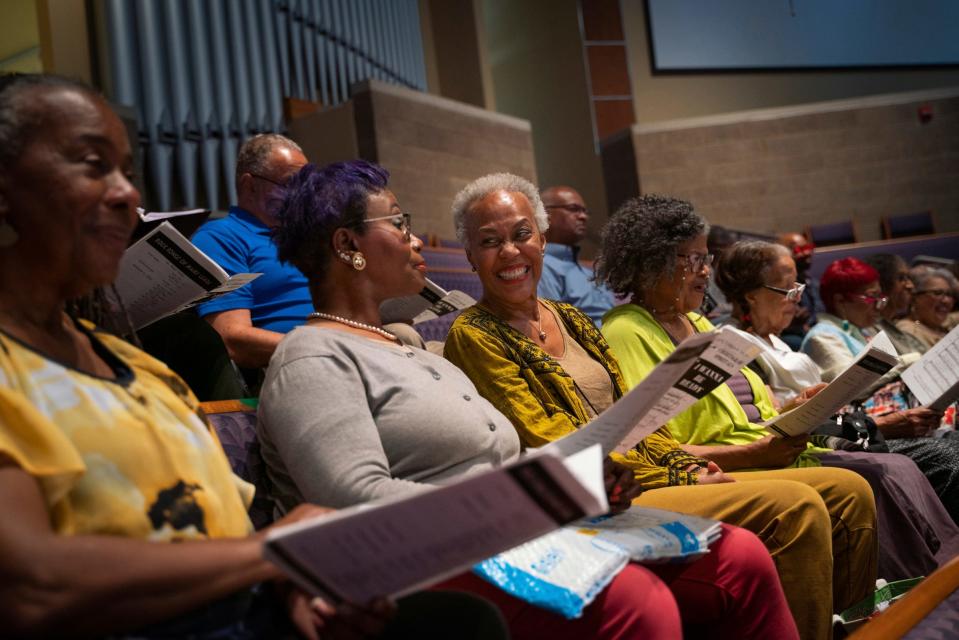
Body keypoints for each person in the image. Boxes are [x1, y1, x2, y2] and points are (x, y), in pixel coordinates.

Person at [0, 73, 509, 640]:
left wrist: (297, 589)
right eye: (92, 163)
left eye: (128, 171)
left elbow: (222, 527)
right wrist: (275, 555)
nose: (129, 195)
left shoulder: (143, 372)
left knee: (465, 625)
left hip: (244, 610)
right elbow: (32, 588)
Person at [256, 161, 798, 640]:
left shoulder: (410, 348)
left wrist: (576, 486)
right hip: (431, 561)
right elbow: (354, 500)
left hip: (517, 527)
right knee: (635, 602)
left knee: (739, 558)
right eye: (397, 223)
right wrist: (527, 501)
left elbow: (506, 461)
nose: (416, 237)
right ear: (348, 245)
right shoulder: (313, 356)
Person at [440, 175, 863, 640]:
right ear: (470, 258)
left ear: (541, 240)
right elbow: (552, 438)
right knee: (797, 506)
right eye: (489, 242)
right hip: (605, 493)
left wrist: (684, 464)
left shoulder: (574, 318)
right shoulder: (474, 333)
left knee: (849, 489)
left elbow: (641, 419)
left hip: (651, 474)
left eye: (521, 234)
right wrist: (680, 475)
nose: (510, 252)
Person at [593, 195, 880, 628]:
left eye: (705, 257)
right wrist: (750, 456)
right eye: (691, 259)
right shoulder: (625, 330)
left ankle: (853, 623)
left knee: (856, 488)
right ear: (650, 262)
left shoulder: (702, 324)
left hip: (756, 449)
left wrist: (794, 408)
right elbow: (651, 446)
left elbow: (747, 413)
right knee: (833, 493)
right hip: (708, 467)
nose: (705, 271)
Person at [713, 240, 959, 580]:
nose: (796, 301)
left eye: (797, 288)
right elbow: (767, 419)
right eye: (786, 290)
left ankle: (941, 571)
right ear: (751, 294)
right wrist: (881, 425)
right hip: (816, 441)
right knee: (943, 460)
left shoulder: (778, 340)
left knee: (949, 446)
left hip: (844, 428)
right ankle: (930, 580)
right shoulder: (735, 346)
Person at [800, 257, 959, 522]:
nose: (878, 305)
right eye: (871, 297)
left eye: (879, 297)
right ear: (841, 300)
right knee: (947, 455)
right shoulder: (822, 335)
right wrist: (908, 360)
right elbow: (847, 388)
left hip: (872, 414)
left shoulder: (860, 329)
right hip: (855, 420)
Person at [191, 134, 311, 369]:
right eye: (290, 184)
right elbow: (231, 339)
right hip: (288, 368)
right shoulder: (220, 237)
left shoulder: (310, 236)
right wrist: (324, 348)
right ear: (250, 185)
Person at [537, 185, 616, 325]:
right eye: (574, 209)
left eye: (585, 211)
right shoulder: (542, 266)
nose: (583, 216)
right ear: (546, 214)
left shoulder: (588, 271)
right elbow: (554, 327)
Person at [861, 254, 928, 360]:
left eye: (908, 278)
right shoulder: (869, 331)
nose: (910, 286)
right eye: (901, 278)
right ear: (880, 284)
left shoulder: (894, 327)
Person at [776, 232, 821, 350]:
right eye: (798, 249)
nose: (806, 253)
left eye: (807, 248)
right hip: (790, 335)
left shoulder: (812, 281)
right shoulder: (779, 285)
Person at [897, 266, 957, 350]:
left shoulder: (942, 326)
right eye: (937, 293)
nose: (946, 301)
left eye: (949, 294)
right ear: (916, 297)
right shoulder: (907, 330)